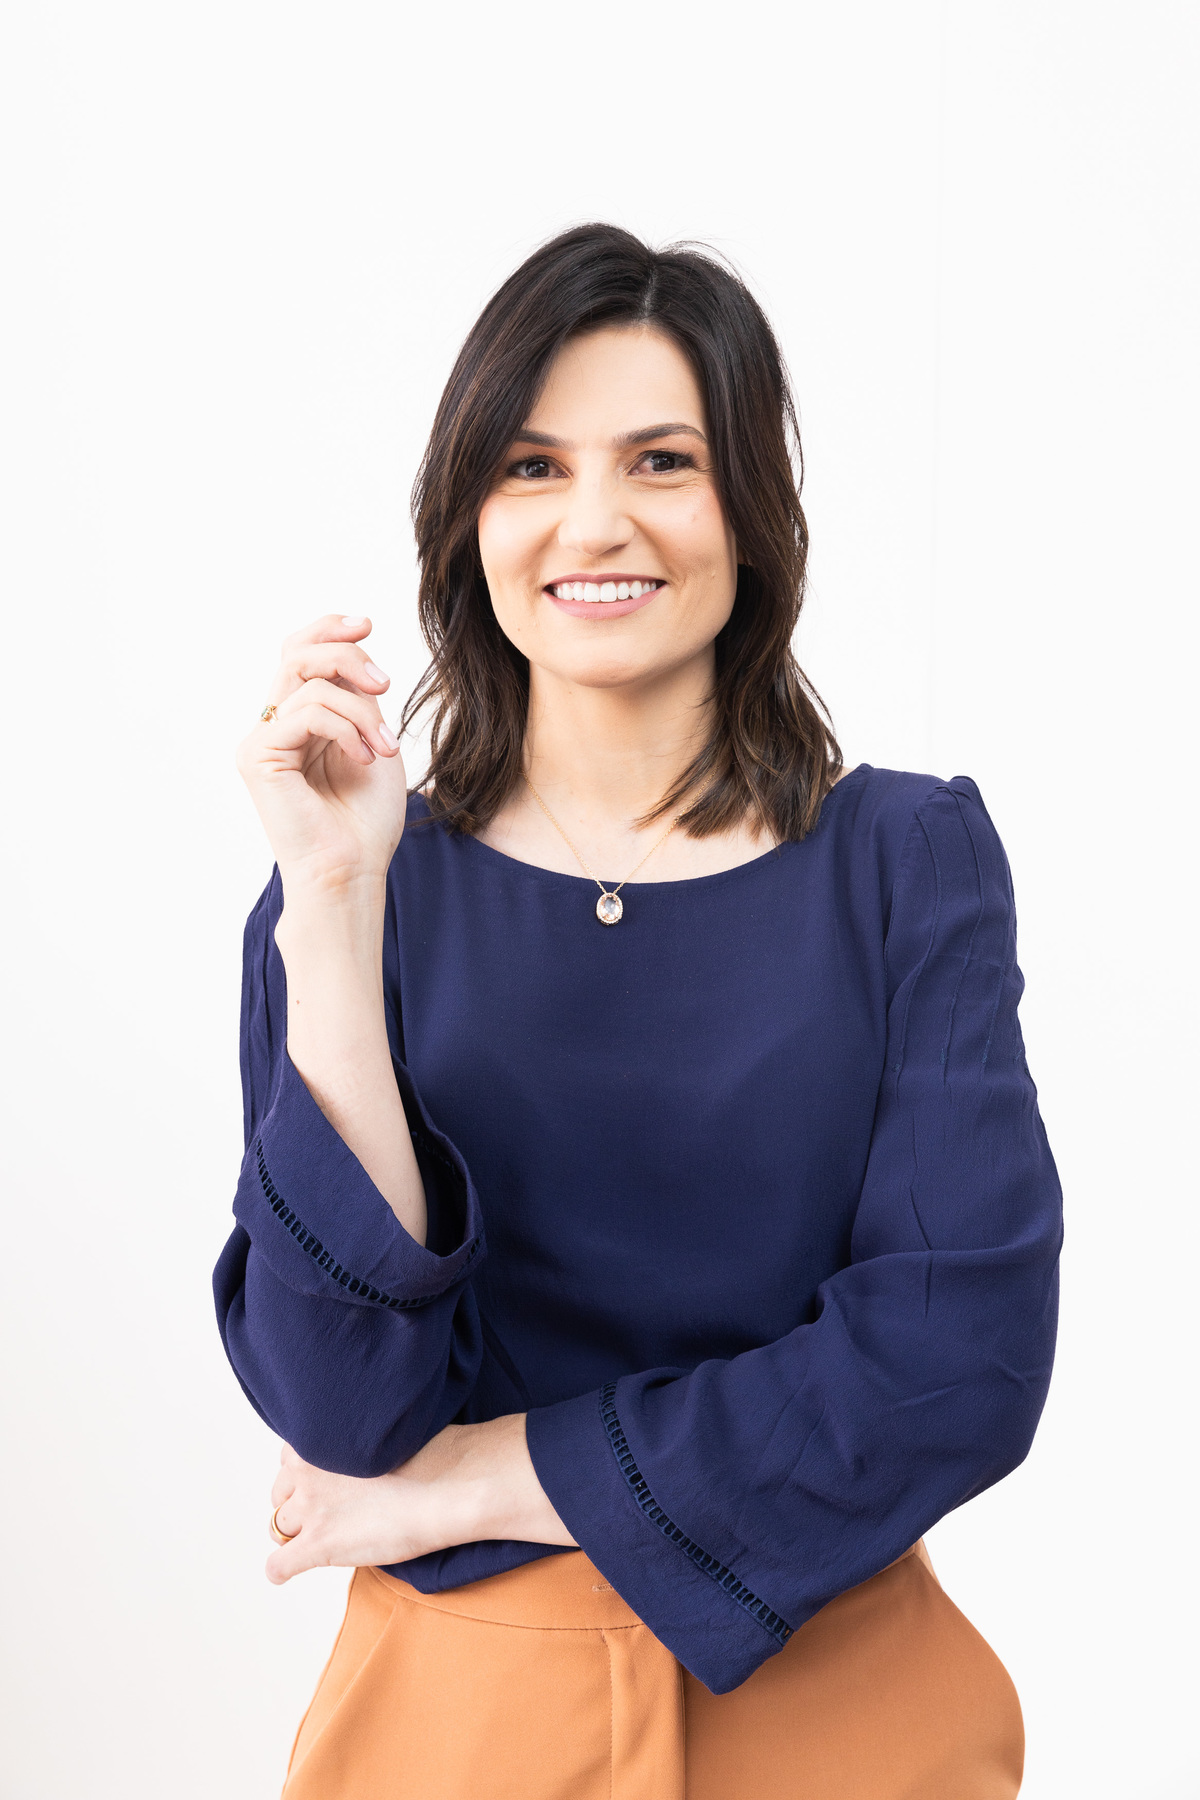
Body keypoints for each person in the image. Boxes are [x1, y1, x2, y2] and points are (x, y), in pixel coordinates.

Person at [215, 223, 1062, 1800]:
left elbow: (962, 1364)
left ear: (754, 509)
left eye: (663, 461)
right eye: (532, 468)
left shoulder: (904, 858)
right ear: (469, 518)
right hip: (456, 1727)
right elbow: (342, 1409)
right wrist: (330, 902)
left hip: (842, 1709)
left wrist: (480, 1477)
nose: (595, 521)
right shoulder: (357, 890)